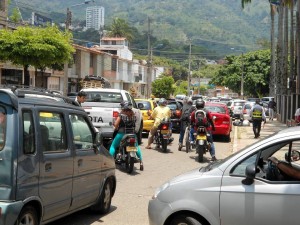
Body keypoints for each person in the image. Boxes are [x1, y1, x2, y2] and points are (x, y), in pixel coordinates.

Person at [109, 101, 143, 170]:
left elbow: (116, 125)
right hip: (132, 134)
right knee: (136, 146)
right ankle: (141, 162)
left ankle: (110, 162)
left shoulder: (121, 115)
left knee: (113, 146)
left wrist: (114, 126)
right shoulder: (134, 114)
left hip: (121, 134)